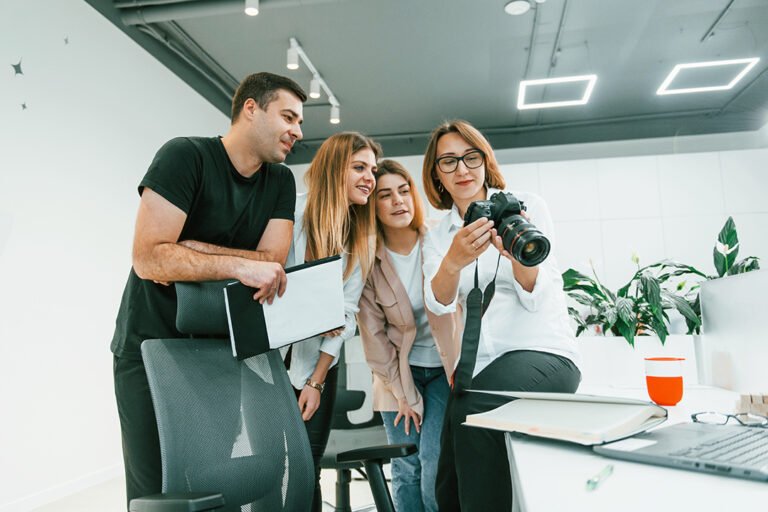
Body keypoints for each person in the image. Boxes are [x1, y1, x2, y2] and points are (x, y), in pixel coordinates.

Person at [110, 72, 306, 508]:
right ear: (250, 109)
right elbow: (149, 258)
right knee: (159, 495)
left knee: (212, 486)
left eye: (300, 121)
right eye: (288, 117)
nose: (298, 130)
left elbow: (272, 263)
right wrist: (237, 263)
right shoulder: (186, 156)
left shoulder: (279, 181)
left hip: (218, 351)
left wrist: (191, 250)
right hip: (151, 346)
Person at [421, 120, 581, 511]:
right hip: (479, 368)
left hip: (543, 353)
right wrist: (454, 262)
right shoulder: (438, 235)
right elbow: (438, 302)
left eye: (470, 157)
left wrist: (516, 257)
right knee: (448, 470)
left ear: (484, 160)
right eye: (448, 161)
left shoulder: (524, 206)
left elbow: (540, 291)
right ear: (436, 175)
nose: (462, 169)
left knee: (472, 412)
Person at [283, 131, 381, 512]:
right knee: (274, 467)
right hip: (268, 365)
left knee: (307, 469)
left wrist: (316, 381)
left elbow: (345, 315)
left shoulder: (359, 235)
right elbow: (269, 288)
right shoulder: (290, 214)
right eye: (359, 167)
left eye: (372, 169)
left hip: (318, 367)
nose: (369, 178)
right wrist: (313, 314)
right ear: (332, 169)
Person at [357, 160, 460, 512]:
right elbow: (373, 336)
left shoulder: (440, 241)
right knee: (405, 464)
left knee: (433, 459)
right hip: (396, 372)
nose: (398, 201)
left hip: (444, 371)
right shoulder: (368, 260)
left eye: (404, 191)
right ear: (373, 206)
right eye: (385, 195)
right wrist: (402, 394)